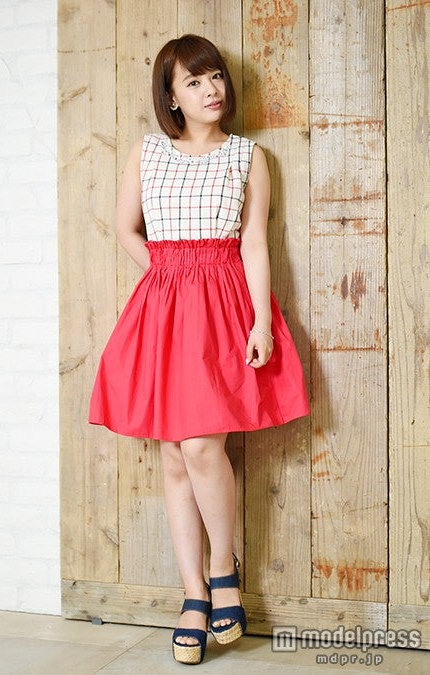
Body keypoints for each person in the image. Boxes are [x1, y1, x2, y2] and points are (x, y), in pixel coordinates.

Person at [89, 34, 309, 665]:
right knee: (175, 453)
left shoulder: (248, 156)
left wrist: (260, 320)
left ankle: (222, 573)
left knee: (201, 445)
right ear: (171, 98)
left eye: (214, 76)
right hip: (165, 306)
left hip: (224, 305)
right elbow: (127, 228)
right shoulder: (148, 152)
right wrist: (168, 275)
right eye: (193, 81)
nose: (211, 89)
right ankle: (194, 593)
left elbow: (254, 243)